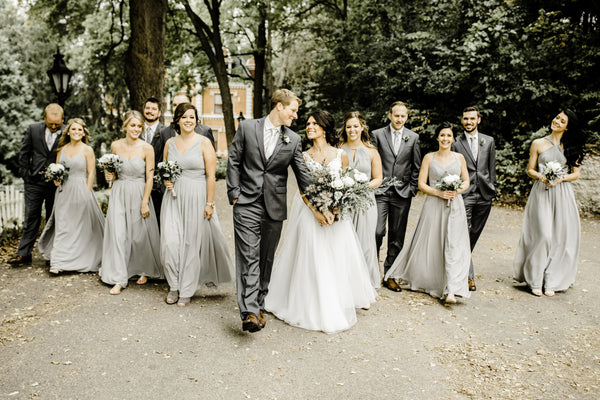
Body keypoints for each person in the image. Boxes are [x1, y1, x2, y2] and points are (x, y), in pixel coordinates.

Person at [265, 111, 377, 334]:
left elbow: (346, 184)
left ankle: (334, 299)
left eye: (314, 123)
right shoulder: (303, 156)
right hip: (310, 214)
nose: (309, 127)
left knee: (334, 257)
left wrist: (336, 207)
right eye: (307, 124)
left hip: (336, 216)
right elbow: (302, 189)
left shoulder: (340, 154)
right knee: (312, 256)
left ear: (324, 127)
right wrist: (316, 211)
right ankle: (310, 303)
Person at [226, 88, 312, 333]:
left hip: (274, 206)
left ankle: (259, 302)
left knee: (266, 258)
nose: (295, 116)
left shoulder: (293, 139)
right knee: (249, 256)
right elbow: (234, 160)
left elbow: (303, 176)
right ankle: (250, 311)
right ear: (279, 106)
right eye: (293, 110)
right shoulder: (247, 128)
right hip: (246, 202)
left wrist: (323, 202)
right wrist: (234, 193)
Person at [385, 122, 471, 304]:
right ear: (437, 138)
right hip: (434, 204)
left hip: (455, 205)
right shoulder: (429, 158)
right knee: (433, 242)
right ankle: (434, 281)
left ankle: (451, 289)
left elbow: (466, 181)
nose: (445, 139)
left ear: (453, 138)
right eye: (442, 135)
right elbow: (422, 184)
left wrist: (457, 190)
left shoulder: (460, 158)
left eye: (449, 136)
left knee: (454, 244)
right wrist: (439, 192)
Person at [160, 103, 233, 307]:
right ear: (177, 120)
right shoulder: (169, 143)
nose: (188, 121)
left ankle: (186, 289)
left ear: (196, 120)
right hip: (173, 198)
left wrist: (209, 203)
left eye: (191, 117)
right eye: (184, 117)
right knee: (170, 243)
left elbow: (211, 176)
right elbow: (165, 170)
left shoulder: (204, 143)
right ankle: (173, 285)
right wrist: (167, 180)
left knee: (191, 244)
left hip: (197, 195)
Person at [514, 109, 585, 297]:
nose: (557, 121)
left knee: (559, 237)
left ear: (568, 127)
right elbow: (530, 169)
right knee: (543, 234)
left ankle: (552, 280)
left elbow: (576, 174)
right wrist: (541, 176)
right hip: (541, 192)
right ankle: (534, 279)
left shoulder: (570, 146)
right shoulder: (538, 143)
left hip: (562, 194)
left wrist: (561, 178)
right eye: (556, 118)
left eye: (562, 121)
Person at [99, 110, 164, 295]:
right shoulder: (115, 145)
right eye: (133, 125)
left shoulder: (147, 148)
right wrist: (108, 176)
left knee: (138, 235)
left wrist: (145, 202)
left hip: (139, 191)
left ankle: (143, 269)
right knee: (119, 234)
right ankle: (120, 278)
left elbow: (150, 178)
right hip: (119, 192)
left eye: (139, 126)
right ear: (125, 126)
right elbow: (110, 173)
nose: (136, 129)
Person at [37, 118, 104, 274]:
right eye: (74, 129)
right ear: (68, 131)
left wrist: (87, 193)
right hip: (64, 191)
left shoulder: (88, 150)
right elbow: (58, 169)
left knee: (80, 226)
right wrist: (56, 179)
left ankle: (79, 260)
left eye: (80, 130)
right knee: (63, 225)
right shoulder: (62, 149)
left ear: (84, 132)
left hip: (81, 189)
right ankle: (58, 262)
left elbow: (91, 172)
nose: (77, 132)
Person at [371, 101, 421, 292]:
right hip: (380, 191)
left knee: (397, 235)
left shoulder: (413, 137)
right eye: (396, 115)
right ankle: (371, 270)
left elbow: (416, 166)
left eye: (403, 116)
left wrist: (411, 189)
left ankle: (390, 274)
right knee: (376, 231)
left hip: (402, 193)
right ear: (390, 115)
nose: (399, 119)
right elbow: (373, 160)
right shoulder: (377, 135)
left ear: (406, 117)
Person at [9, 104, 64, 266]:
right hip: (34, 182)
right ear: (44, 118)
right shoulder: (33, 129)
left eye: (57, 124)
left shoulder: (69, 131)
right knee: (31, 216)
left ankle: (51, 254)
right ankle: (23, 254)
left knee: (53, 218)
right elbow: (24, 153)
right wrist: (26, 175)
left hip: (56, 183)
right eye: (50, 124)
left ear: (62, 119)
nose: (54, 127)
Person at [451, 106, 496, 291]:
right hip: (465, 193)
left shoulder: (489, 141)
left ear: (478, 120)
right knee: (465, 232)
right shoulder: (455, 142)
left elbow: (491, 167)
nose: (468, 122)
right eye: (465, 119)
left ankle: (461, 265)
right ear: (462, 120)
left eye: (471, 119)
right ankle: (467, 276)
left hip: (485, 194)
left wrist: (493, 188)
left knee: (474, 233)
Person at [340, 111, 383, 289]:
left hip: (365, 202)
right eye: (349, 126)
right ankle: (346, 283)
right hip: (344, 201)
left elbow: (378, 178)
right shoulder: (339, 149)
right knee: (345, 242)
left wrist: (363, 188)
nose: (352, 129)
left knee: (365, 242)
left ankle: (364, 287)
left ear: (362, 127)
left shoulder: (372, 151)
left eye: (355, 126)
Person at [142, 97, 167, 223]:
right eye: (147, 108)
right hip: (139, 186)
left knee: (157, 224)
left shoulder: (166, 132)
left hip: (158, 190)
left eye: (153, 109)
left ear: (159, 113)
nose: (150, 111)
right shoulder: (136, 130)